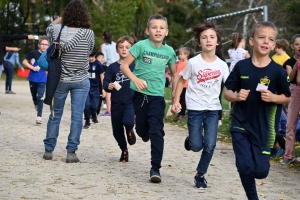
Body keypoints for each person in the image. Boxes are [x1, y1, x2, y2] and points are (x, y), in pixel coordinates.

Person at [224, 21, 290, 199]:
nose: (266, 41)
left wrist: (275, 98)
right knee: (245, 166)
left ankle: (278, 144)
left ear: (274, 45)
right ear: (252, 41)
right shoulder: (241, 67)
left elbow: (288, 95)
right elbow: (227, 93)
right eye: (261, 37)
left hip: (265, 129)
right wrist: (236, 96)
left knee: (261, 172)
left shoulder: (278, 72)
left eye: (270, 39)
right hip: (240, 123)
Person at [120, 14, 179, 183]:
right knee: (142, 131)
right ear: (148, 30)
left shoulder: (169, 51)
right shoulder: (140, 46)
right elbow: (124, 66)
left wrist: (175, 96)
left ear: (166, 32)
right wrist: (136, 79)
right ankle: (143, 131)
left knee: (156, 131)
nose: (158, 30)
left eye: (162, 28)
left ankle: (155, 168)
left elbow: (174, 74)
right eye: (154, 27)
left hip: (157, 97)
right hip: (140, 96)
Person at [172, 21, 229, 189]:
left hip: (213, 109)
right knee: (196, 146)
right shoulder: (193, 62)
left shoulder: (222, 65)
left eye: (212, 37)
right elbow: (181, 79)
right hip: (195, 109)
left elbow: (230, 85)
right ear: (199, 42)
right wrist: (176, 101)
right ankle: (191, 140)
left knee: (211, 144)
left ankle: (200, 174)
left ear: (218, 41)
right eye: (204, 37)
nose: (208, 40)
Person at [42, 0, 94, 163]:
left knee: (55, 115)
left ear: (66, 14)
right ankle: (71, 152)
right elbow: (89, 51)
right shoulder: (88, 33)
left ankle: (49, 150)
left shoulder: (55, 31)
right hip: (81, 80)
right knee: (77, 117)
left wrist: (62, 17)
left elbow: (49, 26)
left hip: (60, 80)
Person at [103, 36, 136, 162]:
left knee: (128, 121)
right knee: (116, 131)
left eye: (127, 47)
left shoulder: (135, 66)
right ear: (116, 50)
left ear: (132, 50)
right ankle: (124, 150)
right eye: (121, 47)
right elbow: (106, 83)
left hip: (130, 102)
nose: (124, 49)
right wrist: (108, 86)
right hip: (116, 103)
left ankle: (129, 130)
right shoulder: (112, 67)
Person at [281, 34, 300, 165]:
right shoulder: (289, 62)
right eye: (297, 44)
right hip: (294, 91)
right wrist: (296, 65)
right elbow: (290, 78)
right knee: (290, 124)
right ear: (292, 46)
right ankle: (289, 155)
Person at [22, 36, 49, 124]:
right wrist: (32, 67)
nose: (44, 46)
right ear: (39, 45)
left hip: (43, 79)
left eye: (46, 44)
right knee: (34, 96)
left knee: (40, 96)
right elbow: (24, 61)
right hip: (33, 78)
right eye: (42, 44)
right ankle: (35, 102)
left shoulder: (49, 54)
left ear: (48, 46)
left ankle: (39, 116)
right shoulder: (33, 53)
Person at [83, 48, 104, 129]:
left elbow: (102, 75)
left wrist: (103, 88)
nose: (90, 58)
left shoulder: (98, 64)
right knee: (86, 105)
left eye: (92, 56)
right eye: (89, 56)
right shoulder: (84, 63)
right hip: (86, 88)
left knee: (94, 106)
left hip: (95, 88)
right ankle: (87, 121)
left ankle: (94, 114)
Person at [100, 30, 120, 117]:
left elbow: (103, 59)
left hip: (109, 67)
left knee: (108, 89)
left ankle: (109, 110)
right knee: (118, 86)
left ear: (104, 37)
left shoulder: (104, 46)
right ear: (112, 37)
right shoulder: (116, 44)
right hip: (118, 66)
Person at [173, 47, 195, 122]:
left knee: (184, 100)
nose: (179, 56)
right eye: (179, 54)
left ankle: (183, 113)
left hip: (186, 85)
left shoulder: (189, 63)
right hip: (181, 85)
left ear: (186, 55)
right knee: (181, 99)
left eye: (181, 54)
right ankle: (181, 111)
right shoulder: (179, 63)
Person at [216, 43, 226, 126]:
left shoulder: (221, 60)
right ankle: (218, 118)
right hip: (218, 82)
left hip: (219, 82)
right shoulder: (222, 59)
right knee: (218, 99)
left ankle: (218, 117)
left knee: (217, 99)